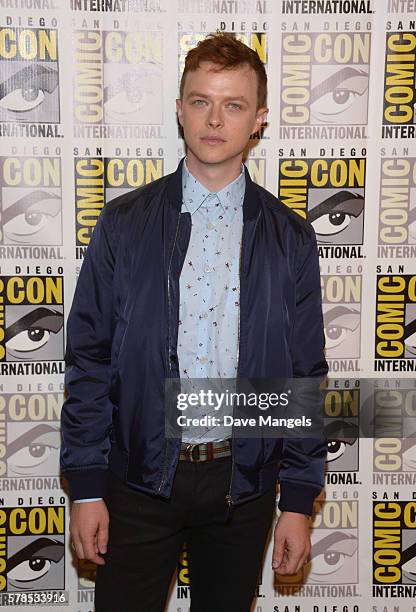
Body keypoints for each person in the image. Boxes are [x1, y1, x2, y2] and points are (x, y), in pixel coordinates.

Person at [60, 33, 328, 612]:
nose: (214, 119)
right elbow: (89, 360)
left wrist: (299, 500)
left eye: (233, 105)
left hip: (243, 484)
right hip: (136, 484)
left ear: (258, 120)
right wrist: (86, 486)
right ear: (179, 109)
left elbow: (306, 374)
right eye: (200, 101)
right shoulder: (124, 223)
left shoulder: (291, 238)